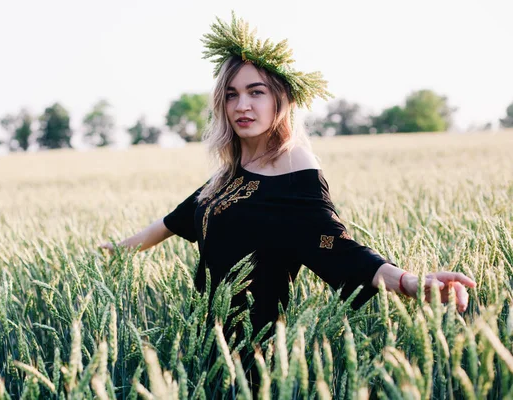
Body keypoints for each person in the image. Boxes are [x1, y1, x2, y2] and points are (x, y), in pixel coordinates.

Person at [100, 12, 476, 392]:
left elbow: (336, 244)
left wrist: (410, 282)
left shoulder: (294, 166)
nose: (241, 105)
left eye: (256, 91)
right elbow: (172, 222)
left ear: (281, 98)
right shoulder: (228, 174)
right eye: (231, 94)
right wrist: (114, 251)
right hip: (205, 345)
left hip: (255, 355)